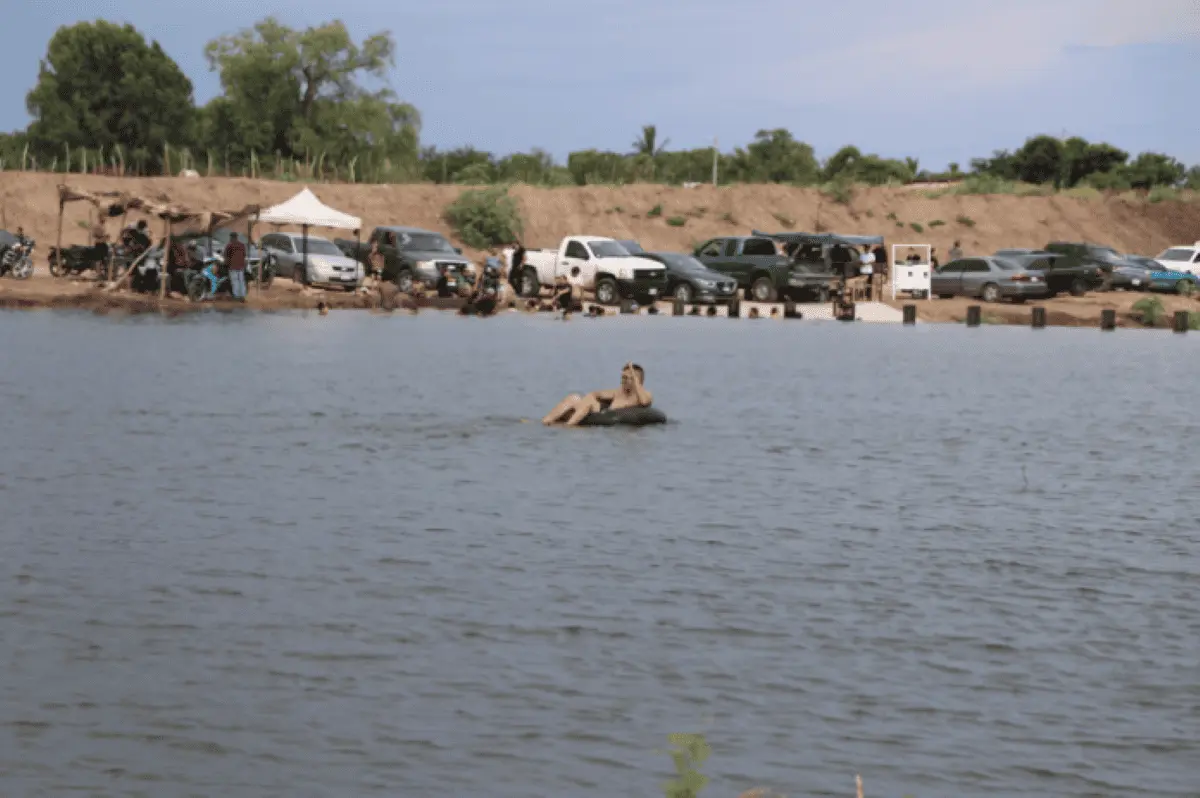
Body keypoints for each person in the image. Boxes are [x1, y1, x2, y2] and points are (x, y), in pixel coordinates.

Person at [542, 362, 652, 427]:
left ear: (637, 380)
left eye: (628, 378)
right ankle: (546, 421)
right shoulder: (618, 392)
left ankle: (569, 426)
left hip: (610, 417)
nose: (624, 381)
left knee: (588, 404)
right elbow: (595, 394)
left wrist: (635, 380)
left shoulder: (644, 395)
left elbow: (644, 402)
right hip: (601, 412)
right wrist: (586, 400)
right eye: (623, 377)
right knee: (574, 397)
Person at [222, 231, 248, 301]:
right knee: (241, 281)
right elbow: (244, 255)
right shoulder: (242, 245)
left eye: (230, 237)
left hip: (233, 266)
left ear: (231, 237)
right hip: (241, 266)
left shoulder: (229, 245)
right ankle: (242, 296)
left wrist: (226, 263)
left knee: (235, 281)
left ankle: (236, 296)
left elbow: (225, 255)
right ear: (237, 237)